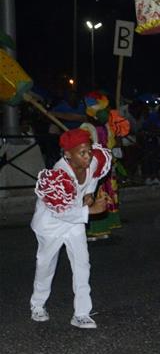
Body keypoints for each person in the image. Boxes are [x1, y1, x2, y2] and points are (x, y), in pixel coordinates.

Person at [30, 129, 111, 329]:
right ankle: (37, 305)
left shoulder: (91, 161)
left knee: (82, 264)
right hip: (51, 225)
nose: (88, 156)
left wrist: (89, 194)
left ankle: (81, 313)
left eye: (89, 151)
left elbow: (92, 178)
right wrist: (92, 211)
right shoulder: (58, 175)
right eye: (82, 153)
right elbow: (61, 212)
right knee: (45, 266)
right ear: (67, 154)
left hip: (74, 223)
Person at [80, 91, 131, 240]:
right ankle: (92, 229)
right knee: (93, 195)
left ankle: (104, 227)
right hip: (93, 167)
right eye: (103, 110)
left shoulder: (107, 127)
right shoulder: (86, 127)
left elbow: (111, 143)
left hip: (107, 167)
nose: (106, 113)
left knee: (107, 196)